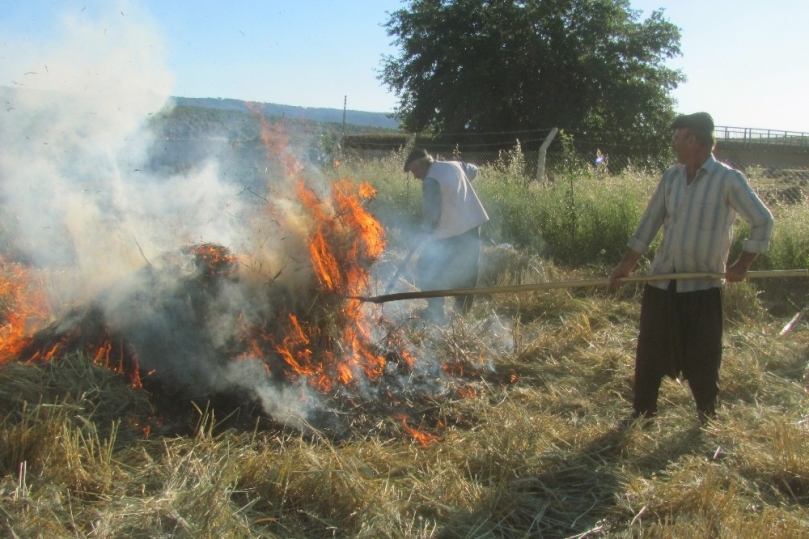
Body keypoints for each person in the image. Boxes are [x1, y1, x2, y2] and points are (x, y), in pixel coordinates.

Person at [609, 112, 774, 422]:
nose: (673, 144)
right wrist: (627, 264)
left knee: (703, 356)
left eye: (677, 137)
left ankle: (706, 416)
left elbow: (763, 221)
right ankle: (643, 414)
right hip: (662, 282)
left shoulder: (728, 180)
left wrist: (742, 263)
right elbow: (650, 222)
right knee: (649, 353)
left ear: (693, 140)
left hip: (701, 287)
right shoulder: (671, 177)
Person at [403, 148, 489, 322]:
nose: (415, 176)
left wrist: (423, 232)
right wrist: (458, 190)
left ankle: (435, 312)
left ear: (424, 164)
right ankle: (461, 315)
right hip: (472, 226)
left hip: (449, 233)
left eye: (414, 171)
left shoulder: (431, 180)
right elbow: (474, 170)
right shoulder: (454, 165)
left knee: (426, 267)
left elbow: (432, 215)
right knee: (468, 270)